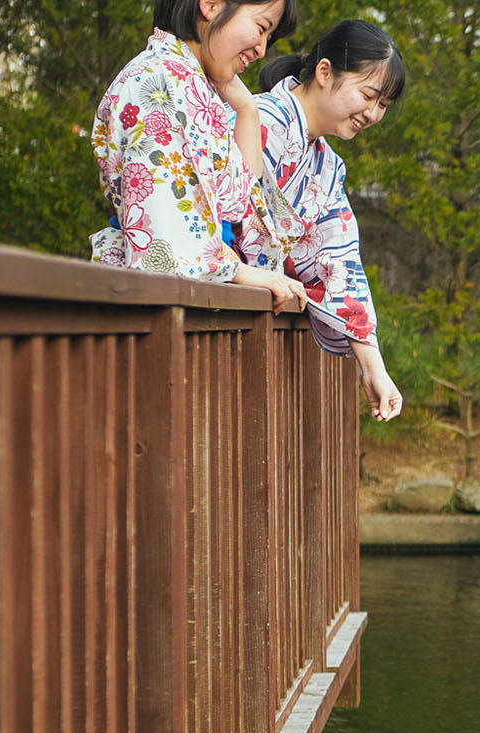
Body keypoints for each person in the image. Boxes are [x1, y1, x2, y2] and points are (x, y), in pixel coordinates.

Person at [90, 0, 306, 312]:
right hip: (154, 313)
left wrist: (248, 109)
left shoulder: (187, 81)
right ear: (211, 4)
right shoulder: (158, 82)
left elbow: (242, 209)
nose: (261, 50)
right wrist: (240, 271)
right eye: (261, 28)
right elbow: (165, 237)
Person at [240, 20, 405, 422]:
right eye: (368, 95)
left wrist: (374, 366)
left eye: (383, 105)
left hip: (252, 323)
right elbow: (218, 215)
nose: (372, 113)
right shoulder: (257, 119)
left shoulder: (327, 167)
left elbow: (338, 260)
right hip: (214, 301)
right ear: (325, 71)